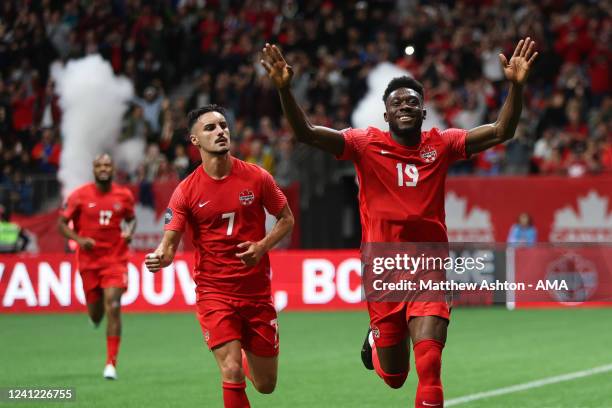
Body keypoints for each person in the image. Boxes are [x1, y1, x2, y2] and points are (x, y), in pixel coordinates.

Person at [261, 37, 538, 407]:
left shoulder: (442, 144)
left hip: (429, 266)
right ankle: (377, 340)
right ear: (386, 114)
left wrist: (516, 87)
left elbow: (502, 130)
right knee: (394, 377)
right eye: (397, 103)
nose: (405, 106)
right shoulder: (363, 144)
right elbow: (306, 133)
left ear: (423, 113)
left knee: (430, 363)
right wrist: (285, 90)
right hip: (383, 269)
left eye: (413, 102)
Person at [144, 105, 294, 408]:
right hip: (215, 293)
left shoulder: (257, 177)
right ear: (194, 140)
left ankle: (238, 349)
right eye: (210, 128)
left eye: (223, 125)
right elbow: (169, 245)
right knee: (232, 371)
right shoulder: (185, 191)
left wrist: (262, 246)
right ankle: (232, 352)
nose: (220, 131)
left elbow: (287, 218)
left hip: (256, 293)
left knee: (266, 385)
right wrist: (161, 256)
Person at [58, 154, 136, 380]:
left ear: (113, 169)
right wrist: (79, 240)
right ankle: (93, 317)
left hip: (115, 259)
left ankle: (111, 364)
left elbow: (131, 218)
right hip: (89, 262)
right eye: (99, 165)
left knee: (113, 304)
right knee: (96, 312)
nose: (104, 168)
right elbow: (61, 223)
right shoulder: (80, 195)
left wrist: (129, 231)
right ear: (94, 169)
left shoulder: (124, 195)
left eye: (107, 165)